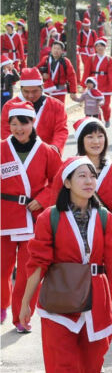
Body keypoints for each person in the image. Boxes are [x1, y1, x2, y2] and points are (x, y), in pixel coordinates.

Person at [20, 156, 112, 372]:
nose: (89, 181)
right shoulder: (49, 217)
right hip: (58, 303)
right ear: (67, 182)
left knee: (93, 364)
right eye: (81, 176)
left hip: (97, 303)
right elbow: (37, 264)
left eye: (93, 176)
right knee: (60, 365)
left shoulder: (105, 218)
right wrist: (25, 302)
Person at [1, 102, 62, 331]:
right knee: (2, 268)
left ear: (32, 123)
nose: (18, 129)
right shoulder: (1, 148)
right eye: (13, 124)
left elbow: (59, 181)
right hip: (3, 218)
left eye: (23, 123)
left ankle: (22, 316)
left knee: (29, 271)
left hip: (33, 218)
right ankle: (1, 305)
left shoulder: (46, 151)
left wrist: (45, 198)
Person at [56, 117, 112, 264]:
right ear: (81, 140)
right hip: (72, 237)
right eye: (90, 137)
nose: (96, 141)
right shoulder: (67, 169)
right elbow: (54, 204)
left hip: (107, 238)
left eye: (100, 136)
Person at [1, 68, 68, 154]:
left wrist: (55, 147)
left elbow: (61, 130)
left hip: (47, 154)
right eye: (26, 91)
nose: (30, 95)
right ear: (21, 89)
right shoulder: (9, 106)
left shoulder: (56, 106)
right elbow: (5, 131)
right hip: (18, 154)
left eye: (35, 91)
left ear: (42, 87)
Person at [81, 37, 112, 126]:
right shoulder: (91, 58)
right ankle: (98, 122)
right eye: (97, 46)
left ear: (105, 47)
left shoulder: (109, 59)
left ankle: (107, 118)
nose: (100, 48)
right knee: (94, 106)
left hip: (106, 85)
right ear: (95, 48)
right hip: (93, 86)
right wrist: (84, 85)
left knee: (105, 105)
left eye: (102, 46)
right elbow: (86, 72)